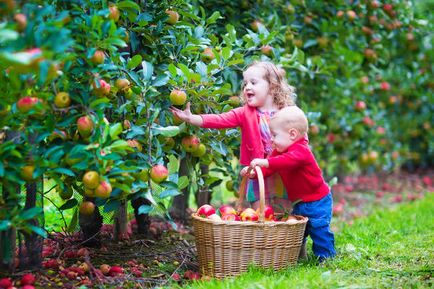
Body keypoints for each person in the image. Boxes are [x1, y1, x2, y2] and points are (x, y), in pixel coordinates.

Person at [170, 61, 295, 210]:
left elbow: (300, 137)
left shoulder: (288, 113)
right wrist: (191, 118)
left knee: (285, 215)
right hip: (258, 173)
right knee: (261, 215)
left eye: (253, 82)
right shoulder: (245, 113)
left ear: (272, 86)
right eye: (245, 83)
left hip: (283, 171)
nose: (247, 87)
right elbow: (219, 119)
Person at [241, 106, 336, 261]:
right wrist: (254, 174)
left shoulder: (301, 151)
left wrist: (264, 162)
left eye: (275, 135)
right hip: (300, 203)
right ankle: (297, 257)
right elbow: (271, 167)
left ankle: (326, 258)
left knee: (319, 230)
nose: (271, 139)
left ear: (292, 134)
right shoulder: (279, 150)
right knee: (299, 231)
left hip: (318, 201)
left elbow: (285, 161)